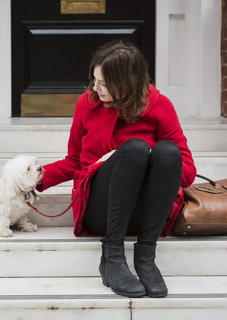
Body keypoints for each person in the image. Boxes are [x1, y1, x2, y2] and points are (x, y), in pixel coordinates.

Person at [36, 40, 196, 298]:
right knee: (133, 149)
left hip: (146, 213)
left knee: (166, 151)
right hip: (100, 208)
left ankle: (145, 257)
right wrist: (34, 178)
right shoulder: (86, 103)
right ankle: (111, 255)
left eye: (104, 83)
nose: (95, 88)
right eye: (94, 80)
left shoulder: (160, 105)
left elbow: (186, 171)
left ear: (127, 82)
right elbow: (75, 160)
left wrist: (149, 157)